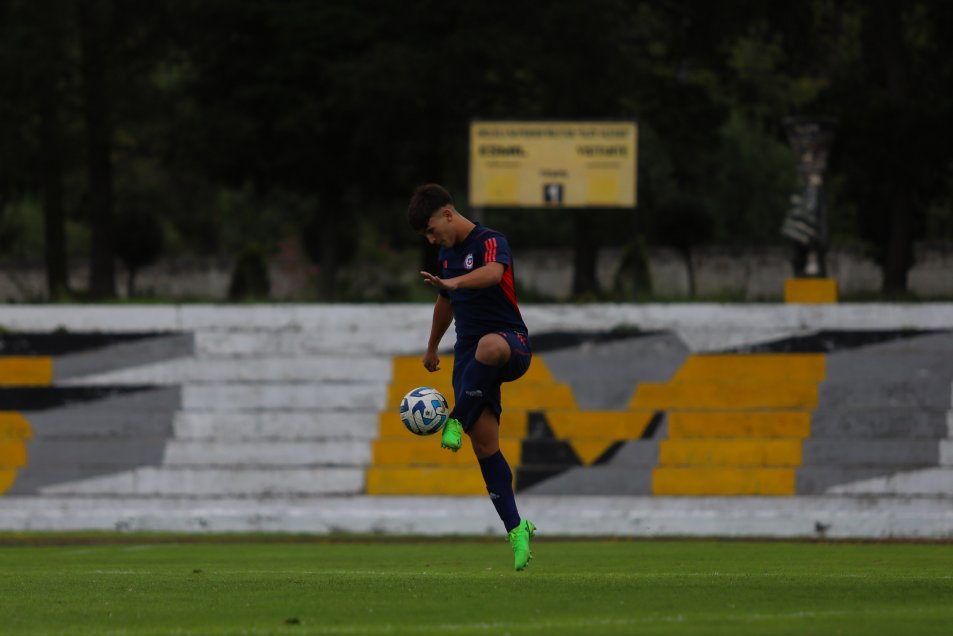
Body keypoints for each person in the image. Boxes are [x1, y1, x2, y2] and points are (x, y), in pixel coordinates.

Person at [407, 183, 536, 571]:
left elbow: (494, 274)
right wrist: (432, 347)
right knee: (485, 446)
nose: (432, 240)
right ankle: (517, 529)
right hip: (468, 358)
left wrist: (455, 282)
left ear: (448, 214)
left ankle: (456, 419)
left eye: (432, 230)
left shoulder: (491, 241)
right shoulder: (446, 256)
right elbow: (445, 302)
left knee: (489, 347)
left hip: (509, 343)